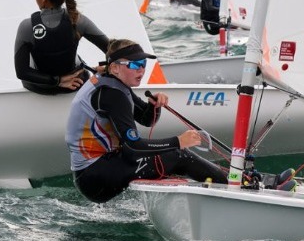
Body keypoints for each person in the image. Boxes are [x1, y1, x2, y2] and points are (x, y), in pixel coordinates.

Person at [64, 39, 229, 203]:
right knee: (179, 156)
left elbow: (146, 120)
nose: (141, 70)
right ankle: (228, 189)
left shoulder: (113, 82)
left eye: (143, 63)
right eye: (134, 65)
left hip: (97, 172)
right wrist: (178, 142)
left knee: (171, 158)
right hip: (96, 177)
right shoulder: (111, 94)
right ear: (114, 68)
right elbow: (133, 146)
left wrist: (153, 106)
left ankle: (208, 193)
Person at [14, 0, 109, 95]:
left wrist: (58, 81)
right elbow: (113, 49)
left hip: (42, 88)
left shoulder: (27, 26)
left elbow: (22, 72)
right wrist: (108, 68)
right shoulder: (78, 20)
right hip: (77, 84)